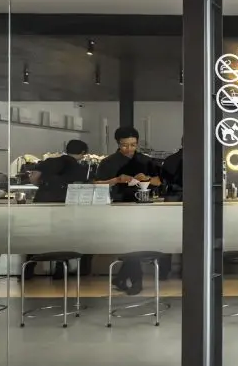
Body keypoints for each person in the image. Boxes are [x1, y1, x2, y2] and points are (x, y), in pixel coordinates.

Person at [94, 126, 162, 295]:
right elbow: (96, 184)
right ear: (118, 143)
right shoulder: (108, 162)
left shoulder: (145, 161)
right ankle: (135, 281)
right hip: (118, 206)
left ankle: (123, 278)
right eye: (125, 145)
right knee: (132, 243)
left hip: (143, 206)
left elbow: (159, 181)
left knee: (136, 243)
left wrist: (146, 178)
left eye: (133, 145)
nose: (129, 149)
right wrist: (117, 179)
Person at [24, 140, 91, 281]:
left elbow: (34, 178)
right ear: (83, 153)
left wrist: (43, 186)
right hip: (63, 203)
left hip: (42, 201)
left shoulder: (50, 161)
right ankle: (60, 270)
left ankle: (28, 269)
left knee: (37, 235)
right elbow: (80, 187)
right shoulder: (80, 168)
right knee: (62, 236)